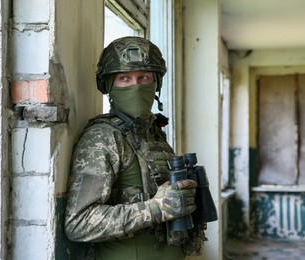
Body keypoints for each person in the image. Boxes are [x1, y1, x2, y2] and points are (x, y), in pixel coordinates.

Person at [65, 36, 204, 260]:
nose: (136, 86)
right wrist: (156, 209)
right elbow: (79, 223)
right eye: (124, 79)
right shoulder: (103, 138)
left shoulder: (153, 133)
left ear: (156, 82)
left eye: (144, 77)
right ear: (109, 85)